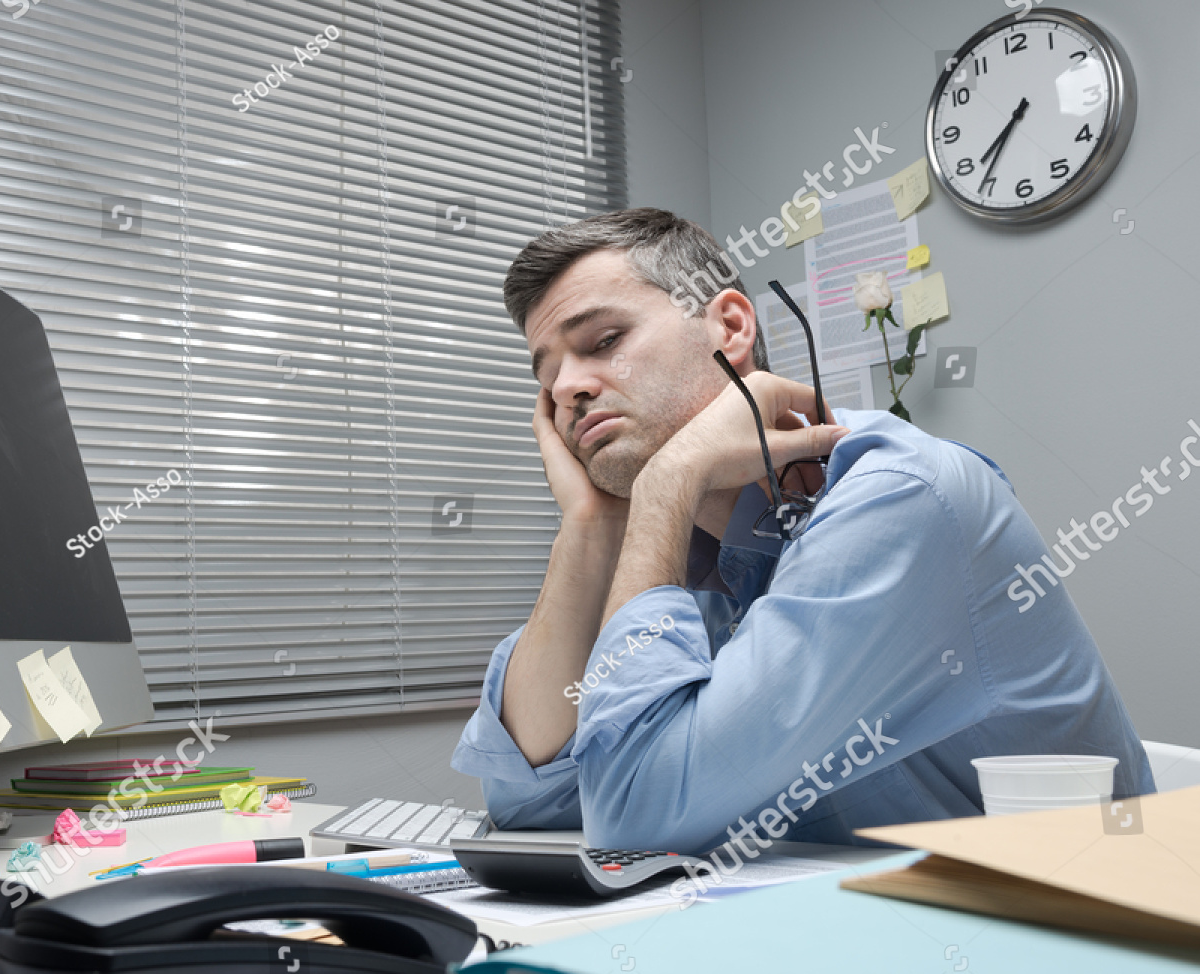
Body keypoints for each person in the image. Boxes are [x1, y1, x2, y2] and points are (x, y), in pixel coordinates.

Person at [451, 208, 1153, 857]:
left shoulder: (897, 499)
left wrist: (667, 482)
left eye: (604, 341)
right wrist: (589, 525)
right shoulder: (686, 563)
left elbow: (629, 817)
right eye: (547, 378)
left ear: (728, 329)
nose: (569, 387)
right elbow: (527, 798)